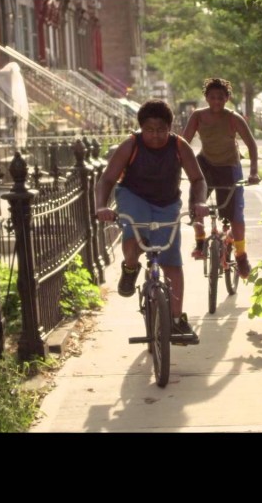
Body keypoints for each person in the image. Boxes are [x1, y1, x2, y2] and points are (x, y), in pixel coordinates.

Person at [95, 99, 210, 343]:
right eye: (149, 130)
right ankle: (130, 266)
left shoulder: (179, 146)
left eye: (161, 130)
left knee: (171, 262)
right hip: (133, 196)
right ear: (141, 128)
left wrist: (198, 203)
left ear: (170, 128)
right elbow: (107, 179)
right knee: (137, 236)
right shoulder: (131, 145)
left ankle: (176, 320)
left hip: (167, 203)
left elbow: (198, 179)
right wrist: (101, 206)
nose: (155, 135)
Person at [181, 78, 260, 279]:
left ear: (227, 98)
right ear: (206, 98)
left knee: (235, 215)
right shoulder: (198, 116)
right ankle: (200, 241)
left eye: (221, 98)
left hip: (229, 167)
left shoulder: (233, 118)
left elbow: (251, 145)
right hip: (206, 164)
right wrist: (176, 167)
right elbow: (183, 143)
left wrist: (253, 172)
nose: (216, 101)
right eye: (212, 97)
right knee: (196, 204)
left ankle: (241, 256)